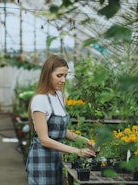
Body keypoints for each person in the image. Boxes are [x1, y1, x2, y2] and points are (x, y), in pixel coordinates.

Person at [25, 55, 95, 185]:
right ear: (47, 75)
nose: (63, 80)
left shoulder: (58, 96)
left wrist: (85, 141)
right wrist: (77, 151)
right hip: (41, 159)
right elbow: (44, 140)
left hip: (56, 158)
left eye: (65, 76)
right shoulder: (40, 100)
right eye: (59, 75)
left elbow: (61, 131)